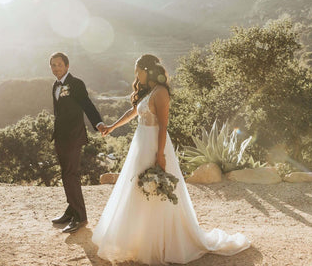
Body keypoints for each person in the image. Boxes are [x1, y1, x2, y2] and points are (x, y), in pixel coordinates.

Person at [92, 54, 250, 264]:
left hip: (154, 145)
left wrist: (160, 155)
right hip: (140, 146)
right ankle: (138, 239)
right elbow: (133, 113)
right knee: (137, 190)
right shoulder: (147, 92)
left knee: (157, 192)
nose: (135, 74)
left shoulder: (161, 93)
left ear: (146, 70)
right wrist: (112, 127)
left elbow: (163, 126)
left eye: (137, 69)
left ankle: (161, 243)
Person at [49, 52, 106, 233]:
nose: (56, 68)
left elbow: (87, 104)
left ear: (67, 66)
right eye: (53, 65)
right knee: (66, 174)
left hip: (73, 136)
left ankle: (80, 217)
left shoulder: (76, 84)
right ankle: (71, 210)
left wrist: (98, 123)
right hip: (60, 137)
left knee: (71, 175)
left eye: (59, 64)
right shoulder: (55, 86)